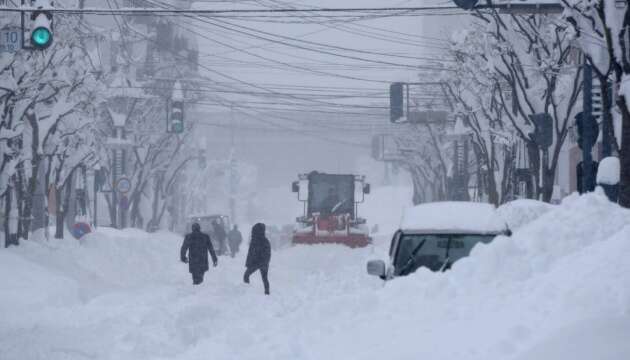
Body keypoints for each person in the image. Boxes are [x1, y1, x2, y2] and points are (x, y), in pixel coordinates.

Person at [244, 223, 271, 295]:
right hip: (259, 263)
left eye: (254, 231)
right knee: (264, 278)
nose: (252, 232)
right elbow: (250, 253)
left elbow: (267, 254)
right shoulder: (263, 240)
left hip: (257, 263)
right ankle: (267, 292)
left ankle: (246, 292)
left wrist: (262, 262)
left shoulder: (258, 240)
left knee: (246, 275)